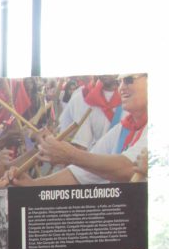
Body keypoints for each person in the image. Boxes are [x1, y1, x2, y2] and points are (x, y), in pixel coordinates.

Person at [10, 74, 147, 186]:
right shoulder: (122, 127)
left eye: (128, 80)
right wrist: (33, 185)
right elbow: (80, 174)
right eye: (120, 81)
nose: (121, 88)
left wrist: (71, 155)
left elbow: (128, 168)